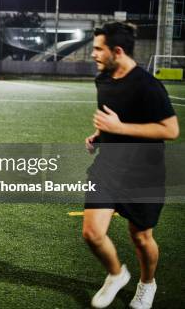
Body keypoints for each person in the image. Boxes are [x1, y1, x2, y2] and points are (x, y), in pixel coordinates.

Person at [83, 22, 179, 309]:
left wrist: (120, 128)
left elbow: (171, 130)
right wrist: (101, 135)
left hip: (144, 175)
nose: (93, 54)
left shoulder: (148, 86)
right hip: (108, 167)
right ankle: (116, 274)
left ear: (118, 51)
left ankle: (147, 284)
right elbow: (113, 117)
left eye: (99, 49)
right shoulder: (103, 79)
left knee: (141, 237)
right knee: (91, 233)